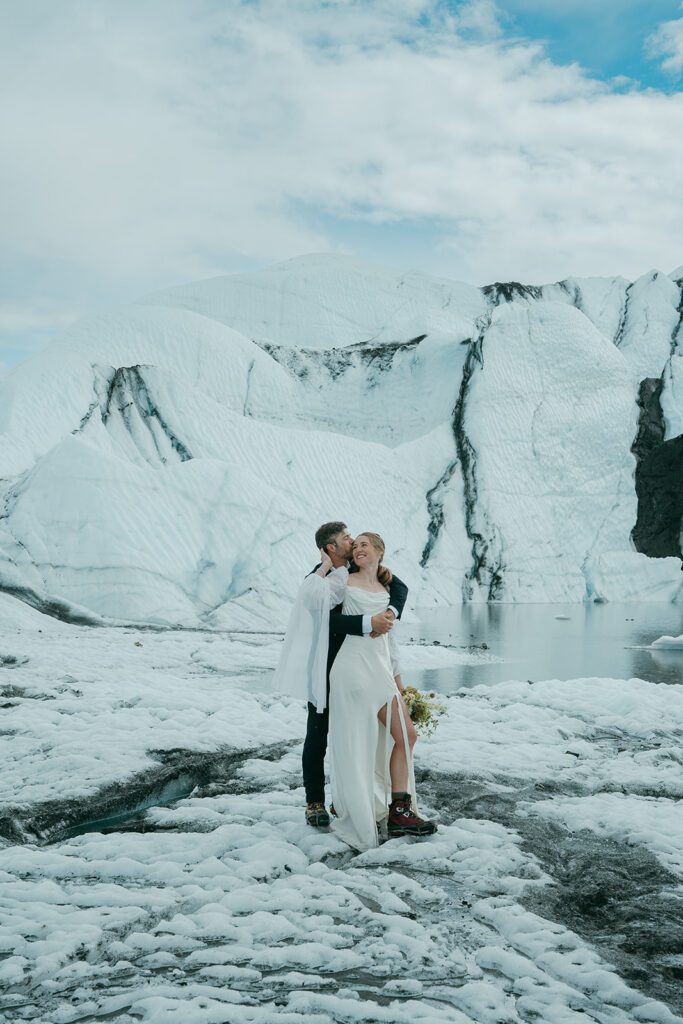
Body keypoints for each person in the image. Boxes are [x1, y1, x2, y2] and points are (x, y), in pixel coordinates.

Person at [326, 532, 436, 851]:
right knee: (359, 741)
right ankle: (354, 806)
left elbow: (389, 641)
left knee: (407, 735)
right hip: (351, 668)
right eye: (354, 544)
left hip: (381, 671)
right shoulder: (341, 580)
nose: (357, 548)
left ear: (379, 551)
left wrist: (399, 680)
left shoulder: (388, 589)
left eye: (364, 544)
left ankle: (400, 811)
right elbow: (327, 619)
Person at [301, 522, 407, 828]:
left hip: (362, 670)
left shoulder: (361, 571)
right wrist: (367, 624)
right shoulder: (318, 578)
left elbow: (399, 589)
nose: (352, 542)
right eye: (347, 539)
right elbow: (326, 620)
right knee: (318, 736)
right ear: (331, 548)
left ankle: (353, 798)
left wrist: (389, 614)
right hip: (326, 668)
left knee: (360, 735)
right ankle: (314, 802)